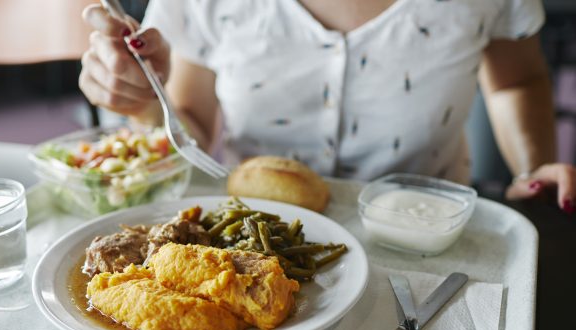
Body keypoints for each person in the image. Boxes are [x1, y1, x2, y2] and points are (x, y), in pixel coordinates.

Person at [79, 0, 576, 213]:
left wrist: (533, 169)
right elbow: (193, 125)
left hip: (427, 242)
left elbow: (518, 79)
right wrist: (147, 101)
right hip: (255, 236)